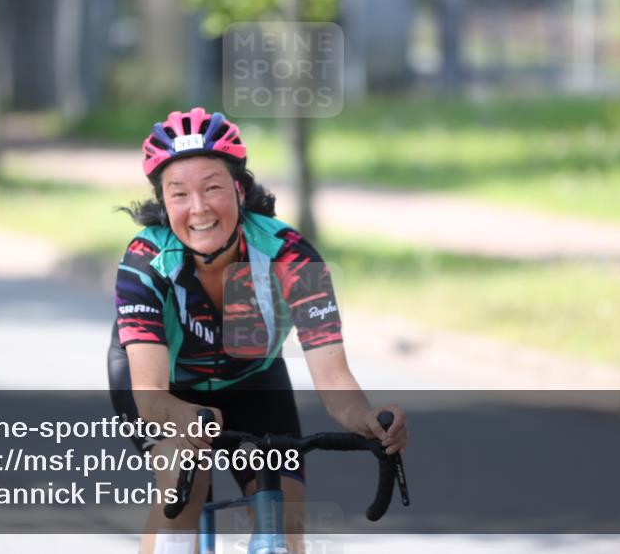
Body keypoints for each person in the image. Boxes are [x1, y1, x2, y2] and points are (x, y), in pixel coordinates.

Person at [107, 107, 407, 554]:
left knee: (283, 518)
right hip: (166, 391)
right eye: (179, 194)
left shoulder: (290, 256)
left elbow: (334, 377)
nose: (199, 208)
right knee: (182, 492)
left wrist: (365, 418)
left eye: (212, 188)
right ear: (164, 205)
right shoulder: (145, 261)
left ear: (240, 190)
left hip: (252, 382)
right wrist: (186, 420)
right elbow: (150, 394)